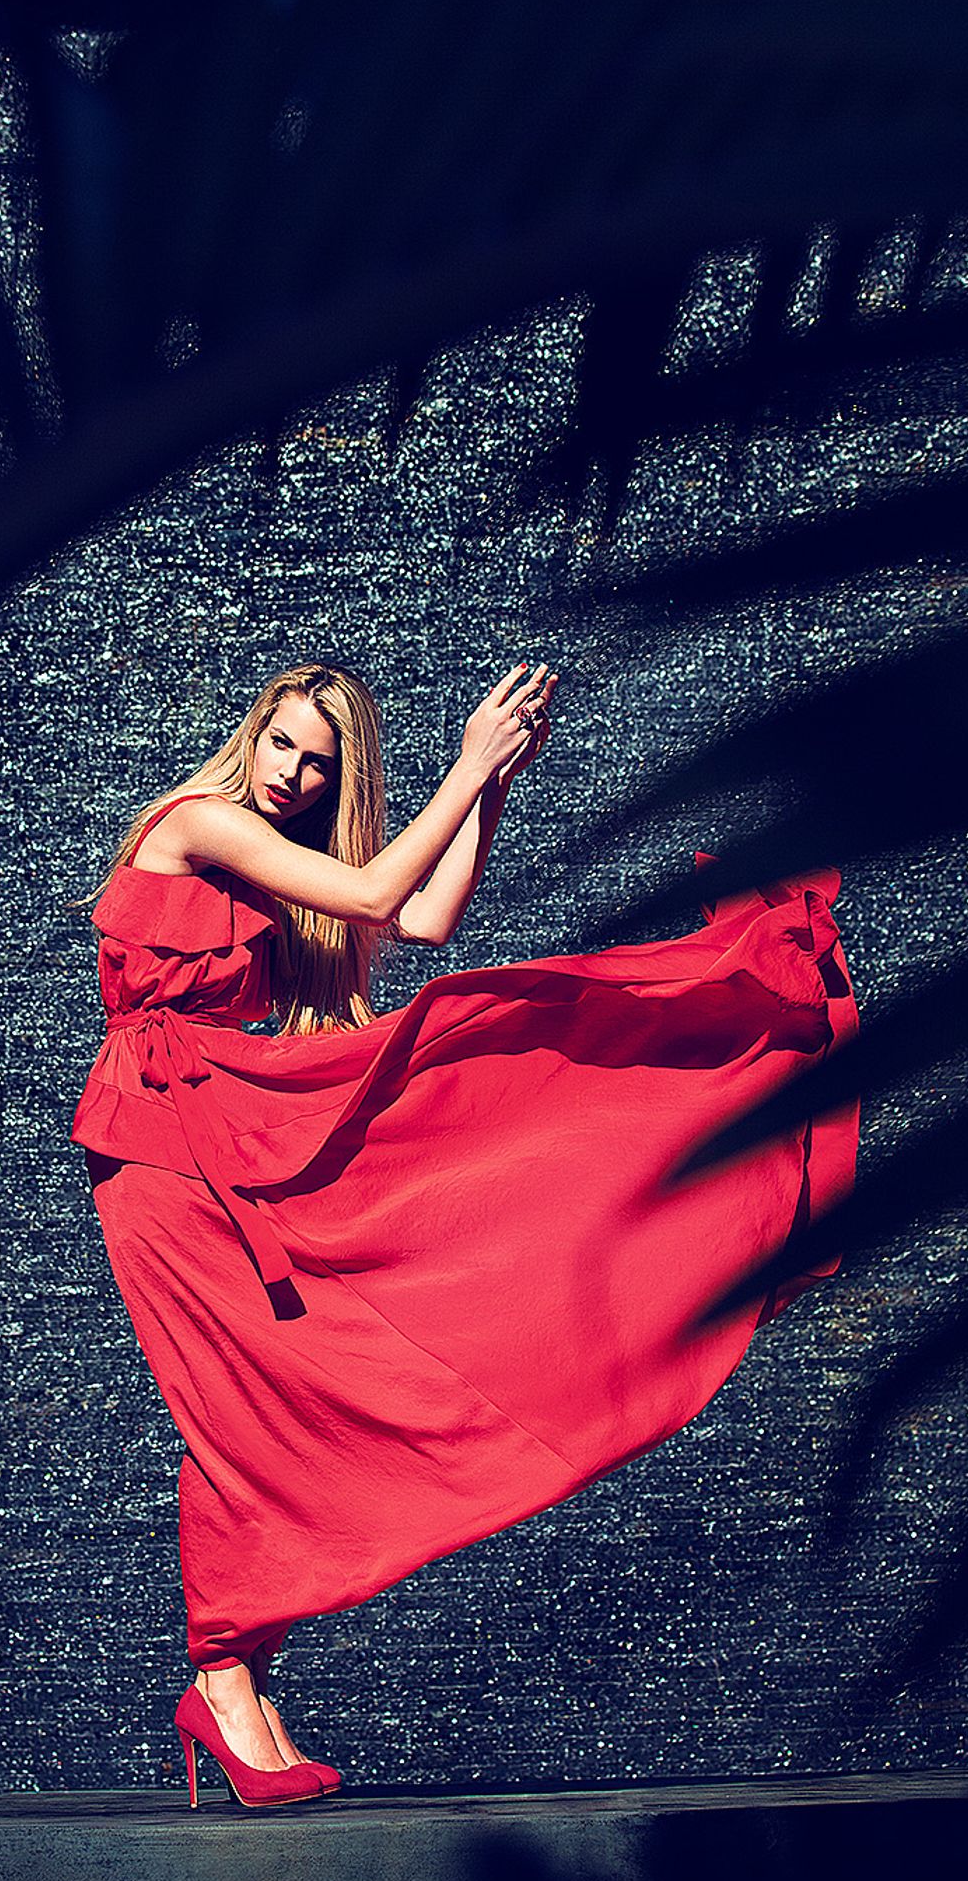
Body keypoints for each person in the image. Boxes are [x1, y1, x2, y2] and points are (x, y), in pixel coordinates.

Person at [72, 661, 858, 1808]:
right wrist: (468, 760)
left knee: (283, 1383)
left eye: (319, 762)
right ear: (251, 734)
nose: (293, 773)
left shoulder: (277, 861)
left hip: (232, 1125)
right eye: (282, 743)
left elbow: (423, 916)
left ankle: (236, 1678)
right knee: (239, 1399)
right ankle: (226, 1677)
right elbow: (377, 892)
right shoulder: (199, 820)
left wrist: (490, 786)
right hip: (159, 1138)